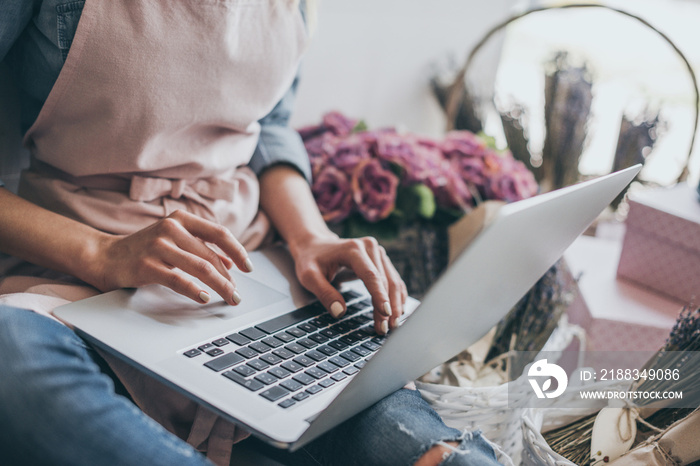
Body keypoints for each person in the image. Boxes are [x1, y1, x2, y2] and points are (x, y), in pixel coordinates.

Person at [0, 1, 501, 465]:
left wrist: (309, 236)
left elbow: (271, 125)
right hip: (73, 257)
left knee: (413, 438)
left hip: (248, 266)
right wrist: (99, 253)